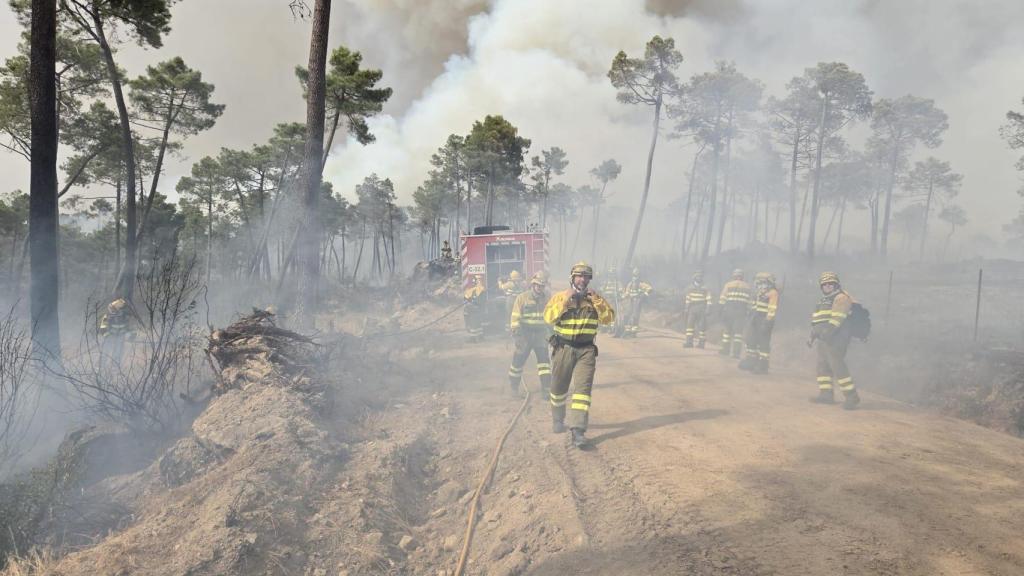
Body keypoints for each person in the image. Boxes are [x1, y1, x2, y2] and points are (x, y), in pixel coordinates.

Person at [544, 262, 615, 449]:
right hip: (563, 348)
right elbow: (548, 317)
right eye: (578, 276)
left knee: (582, 391)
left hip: (586, 351)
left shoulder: (596, 299)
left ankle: (578, 431)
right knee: (558, 388)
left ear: (589, 279)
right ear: (572, 278)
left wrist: (598, 302)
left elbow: (609, 319)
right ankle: (558, 418)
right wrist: (564, 301)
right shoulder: (559, 297)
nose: (582, 279)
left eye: (585, 277)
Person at [810, 271, 860, 410]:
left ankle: (852, 397)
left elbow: (838, 317)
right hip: (824, 337)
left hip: (837, 337)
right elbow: (818, 320)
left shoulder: (841, 297)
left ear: (836, 284)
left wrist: (829, 331)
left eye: (830, 284)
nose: (827, 286)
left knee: (837, 365)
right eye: (824, 284)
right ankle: (826, 394)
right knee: (822, 365)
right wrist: (813, 335)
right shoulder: (823, 300)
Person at [507, 271, 553, 397]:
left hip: (540, 335)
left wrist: (553, 333)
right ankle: (513, 388)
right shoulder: (522, 298)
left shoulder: (547, 299)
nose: (540, 288)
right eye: (537, 285)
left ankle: (546, 390)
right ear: (533, 285)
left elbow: (551, 318)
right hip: (525, 335)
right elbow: (515, 317)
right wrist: (517, 335)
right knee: (517, 362)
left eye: (542, 286)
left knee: (544, 364)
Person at [739, 272, 778, 374]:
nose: (759, 284)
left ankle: (763, 365)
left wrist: (767, 322)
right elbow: (753, 307)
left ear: (767, 282)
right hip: (755, 319)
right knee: (751, 339)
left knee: (763, 343)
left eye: (761, 282)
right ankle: (751, 361)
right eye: (758, 282)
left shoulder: (773, 293)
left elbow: (772, 310)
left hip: (764, 320)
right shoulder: (759, 292)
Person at [718, 269, 751, 358]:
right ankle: (736, 353)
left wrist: (720, 310)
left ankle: (725, 350)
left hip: (729, 311)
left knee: (727, 332)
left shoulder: (728, 285)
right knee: (738, 334)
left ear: (734, 276)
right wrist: (748, 313)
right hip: (741, 313)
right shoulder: (747, 286)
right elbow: (750, 302)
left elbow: (722, 298)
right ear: (742, 276)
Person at [620, 267, 652, 337]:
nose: (635, 277)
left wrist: (644, 295)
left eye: (636, 276)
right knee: (627, 315)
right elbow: (627, 293)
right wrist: (621, 297)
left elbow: (649, 288)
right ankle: (627, 330)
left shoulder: (641, 284)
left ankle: (633, 332)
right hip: (631, 301)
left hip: (637, 301)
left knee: (635, 316)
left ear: (639, 276)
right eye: (634, 275)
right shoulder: (630, 284)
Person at [683, 271, 711, 348]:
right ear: (694, 278)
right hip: (692, 308)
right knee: (690, 326)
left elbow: (709, 299)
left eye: (700, 277)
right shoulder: (690, 288)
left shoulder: (705, 288)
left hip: (701, 307)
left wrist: (708, 309)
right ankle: (689, 342)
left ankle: (701, 344)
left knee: (702, 326)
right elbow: (688, 299)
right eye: (698, 277)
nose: (699, 278)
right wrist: (686, 309)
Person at [463, 274, 486, 340]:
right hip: (479, 309)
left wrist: (467, 298)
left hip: (474, 309)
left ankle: (473, 338)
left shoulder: (479, 289)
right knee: (478, 323)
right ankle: (481, 336)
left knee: (473, 323)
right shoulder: (481, 288)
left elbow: (468, 296)